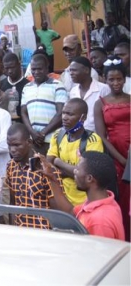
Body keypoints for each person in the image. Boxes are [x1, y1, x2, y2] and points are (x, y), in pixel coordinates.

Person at [94, 61, 130, 239]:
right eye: (111, 79)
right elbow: (101, 135)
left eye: (119, 79)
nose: (116, 83)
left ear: (124, 80)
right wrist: (122, 160)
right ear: (105, 80)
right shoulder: (100, 103)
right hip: (115, 154)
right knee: (121, 196)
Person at [46, 98, 104, 206]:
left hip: (84, 201)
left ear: (83, 117)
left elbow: (86, 176)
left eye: (70, 114)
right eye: (63, 113)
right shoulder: (58, 135)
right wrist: (73, 171)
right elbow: (48, 165)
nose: (64, 117)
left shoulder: (93, 140)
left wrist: (58, 162)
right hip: (62, 198)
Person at [4, 124, 61, 229]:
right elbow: (13, 203)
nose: (12, 150)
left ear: (29, 143)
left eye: (17, 145)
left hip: (42, 232)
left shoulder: (46, 169)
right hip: (19, 231)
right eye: (9, 145)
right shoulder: (11, 166)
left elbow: (57, 211)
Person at [21, 53, 67, 154]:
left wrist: (43, 133)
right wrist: (32, 133)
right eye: (33, 69)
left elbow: (61, 113)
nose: (36, 72)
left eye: (40, 69)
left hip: (53, 140)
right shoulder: (26, 87)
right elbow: (23, 113)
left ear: (47, 68)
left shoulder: (58, 85)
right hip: (34, 141)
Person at [68, 56, 110, 132]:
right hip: (78, 135)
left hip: (99, 136)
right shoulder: (73, 91)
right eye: (70, 70)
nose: (71, 73)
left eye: (74, 70)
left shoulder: (104, 89)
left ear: (86, 70)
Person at [0, 52, 28, 122]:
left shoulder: (28, 86)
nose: (10, 71)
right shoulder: (1, 85)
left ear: (19, 65)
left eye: (12, 67)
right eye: (7, 68)